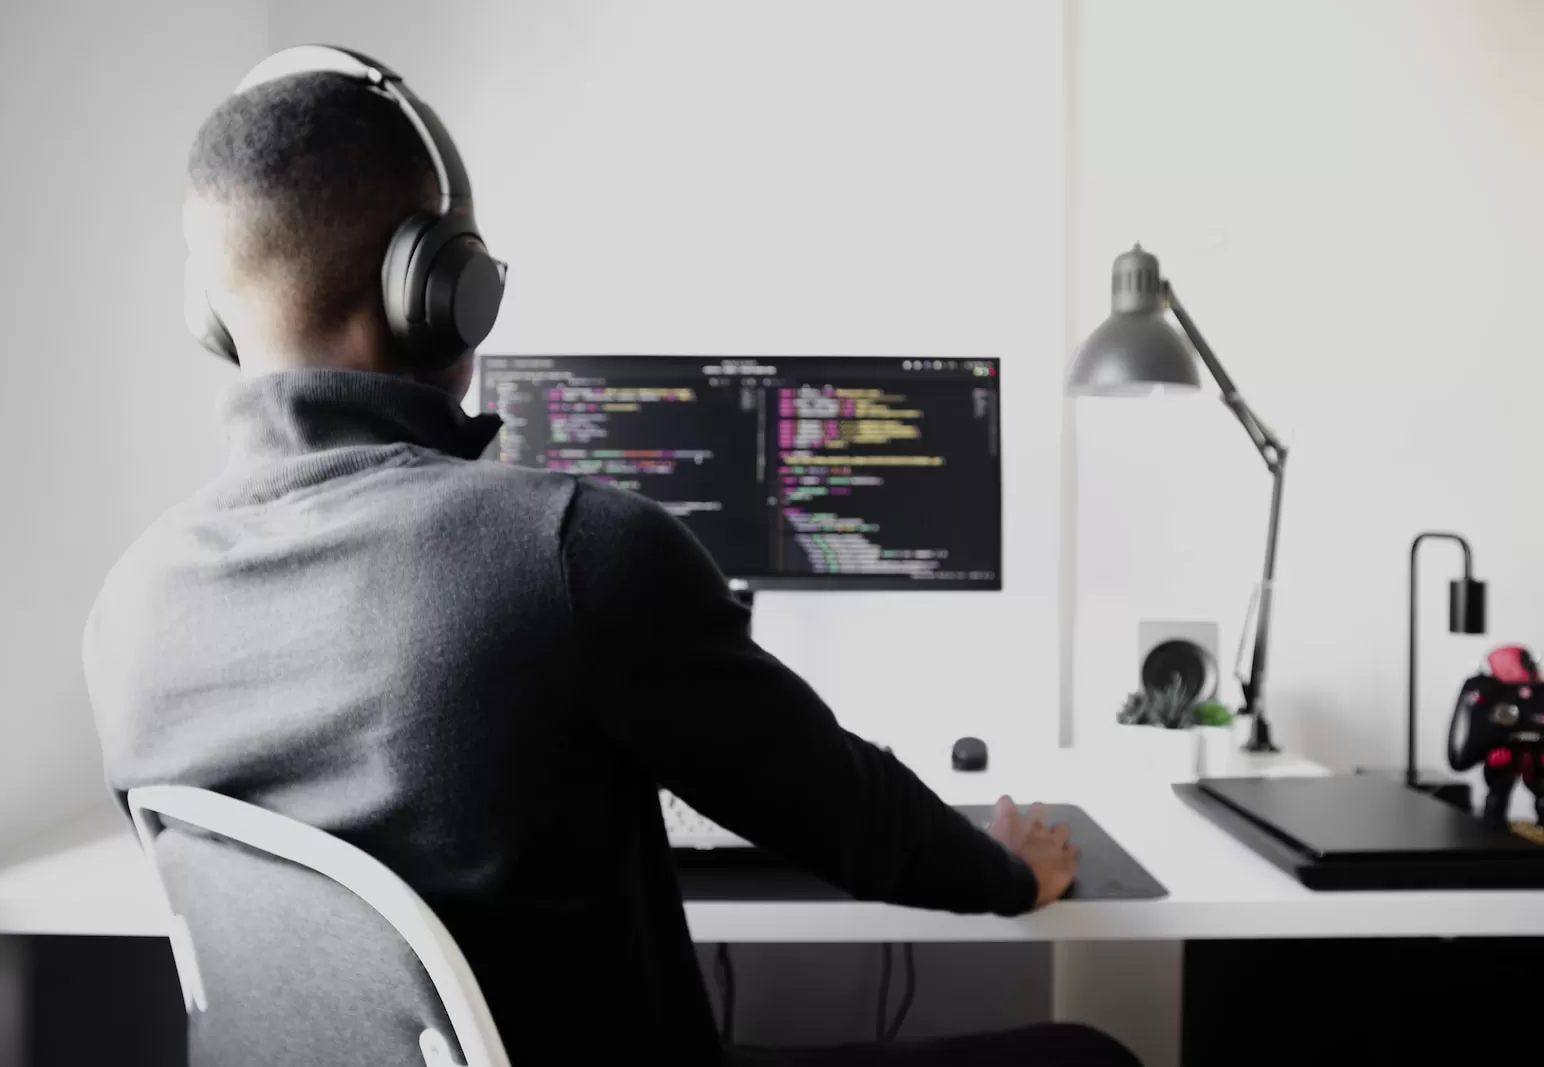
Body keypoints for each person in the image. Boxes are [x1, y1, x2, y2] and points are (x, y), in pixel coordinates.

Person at [83, 63, 1139, 1067]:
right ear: (442, 288)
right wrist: (1009, 868)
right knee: (1089, 1052)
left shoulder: (128, 606)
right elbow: (851, 817)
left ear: (215, 314)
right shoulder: (567, 546)